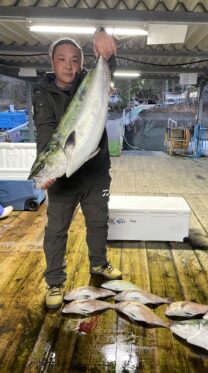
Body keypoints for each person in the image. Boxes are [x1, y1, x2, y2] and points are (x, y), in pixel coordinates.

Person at [33, 29, 122, 309]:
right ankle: (55, 281)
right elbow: (46, 135)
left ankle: (99, 264)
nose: (68, 65)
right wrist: (47, 170)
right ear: (52, 62)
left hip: (95, 171)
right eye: (62, 59)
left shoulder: (91, 79)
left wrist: (103, 40)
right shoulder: (42, 94)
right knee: (56, 230)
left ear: (82, 63)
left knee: (98, 222)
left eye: (74, 60)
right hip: (64, 178)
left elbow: (108, 67)